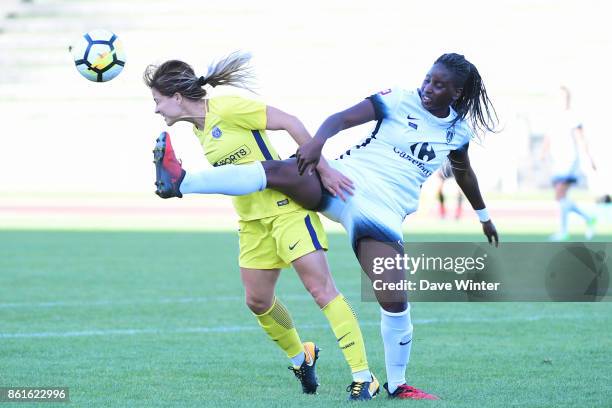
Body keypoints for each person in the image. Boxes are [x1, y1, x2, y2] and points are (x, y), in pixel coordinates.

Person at [155, 52, 499, 400]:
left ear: (456, 93)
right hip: (344, 182)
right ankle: (182, 182)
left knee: (393, 298)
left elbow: (464, 173)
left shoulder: (457, 133)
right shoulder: (399, 99)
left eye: (439, 85)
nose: (427, 88)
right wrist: (318, 145)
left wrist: (484, 217)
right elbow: (341, 119)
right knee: (278, 171)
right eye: (427, 79)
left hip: (382, 211)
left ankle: (396, 384)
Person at [145, 52, 376, 400]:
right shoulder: (199, 130)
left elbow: (292, 122)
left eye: (158, 101)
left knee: (321, 290)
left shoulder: (227, 108)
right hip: (251, 223)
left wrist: (323, 167)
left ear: (177, 97)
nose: (156, 109)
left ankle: (364, 376)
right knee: (257, 300)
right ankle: (303, 357)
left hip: (287, 211)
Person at [541, 86, 597, 241]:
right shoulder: (553, 117)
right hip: (557, 161)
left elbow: (581, 139)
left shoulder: (572, 116)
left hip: (570, 161)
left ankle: (563, 231)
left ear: (568, 99)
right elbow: (549, 136)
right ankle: (588, 218)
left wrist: (590, 158)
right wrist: (543, 152)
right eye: (559, 97)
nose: (562, 100)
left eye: (564, 97)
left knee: (560, 193)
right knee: (561, 197)